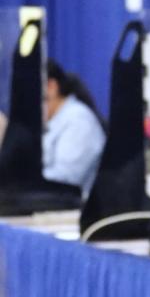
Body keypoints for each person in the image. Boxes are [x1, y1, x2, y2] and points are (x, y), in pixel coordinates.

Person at [43, 59, 106, 198]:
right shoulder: (53, 121)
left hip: (72, 213)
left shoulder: (78, 120)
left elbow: (65, 179)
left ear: (51, 86)